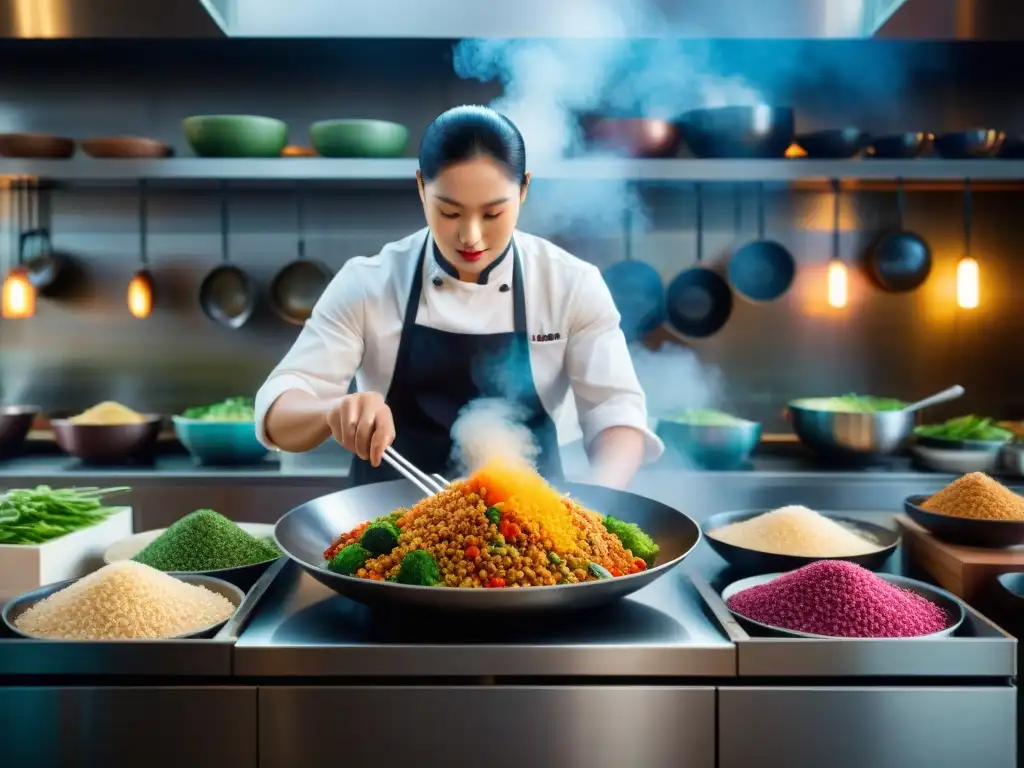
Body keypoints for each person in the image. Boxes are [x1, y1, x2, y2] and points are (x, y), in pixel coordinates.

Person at [254, 104, 663, 489]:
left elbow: (616, 413)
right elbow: (279, 410)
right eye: (449, 212)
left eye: (492, 213)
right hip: (386, 537)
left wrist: (595, 506)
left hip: (531, 539)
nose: (471, 236)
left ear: (523, 190)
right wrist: (330, 413)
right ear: (420, 188)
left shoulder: (570, 284)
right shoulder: (369, 282)